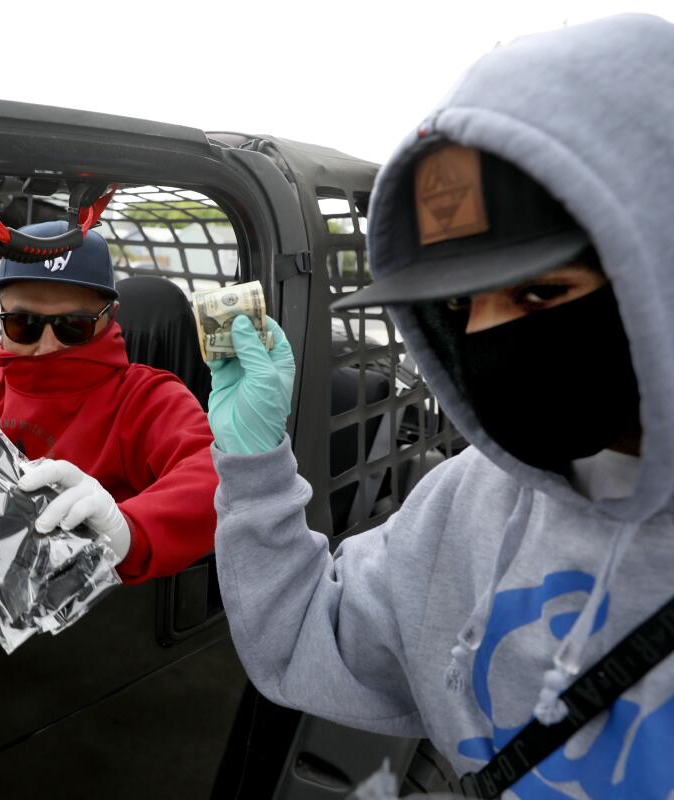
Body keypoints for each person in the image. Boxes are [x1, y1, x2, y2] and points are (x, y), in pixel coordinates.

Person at [206, 15, 674, 798]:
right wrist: (255, 466)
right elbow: (304, 640)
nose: (489, 346)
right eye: (459, 308)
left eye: (540, 293)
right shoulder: (467, 506)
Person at [0, 220, 217, 583]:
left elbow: (215, 476)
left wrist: (128, 529)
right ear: (1, 311)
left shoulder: (147, 399)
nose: (47, 346)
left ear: (110, 317)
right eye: (23, 323)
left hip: (105, 618)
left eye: (72, 326)